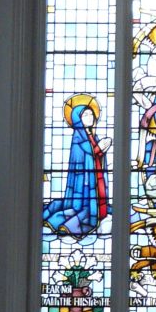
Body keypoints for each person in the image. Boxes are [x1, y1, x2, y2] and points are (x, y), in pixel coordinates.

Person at [43, 95, 111, 237]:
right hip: (84, 181)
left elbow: (95, 154)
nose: (90, 117)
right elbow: (83, 158)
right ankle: (70, 224)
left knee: (99, 201)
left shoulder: (93, 136)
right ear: (77, 119)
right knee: (81, 208)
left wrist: (101, 150)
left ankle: (99, 213)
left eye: (91, 114)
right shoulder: (78, 138)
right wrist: (99, 148)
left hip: (96, 176)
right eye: (85, 115)